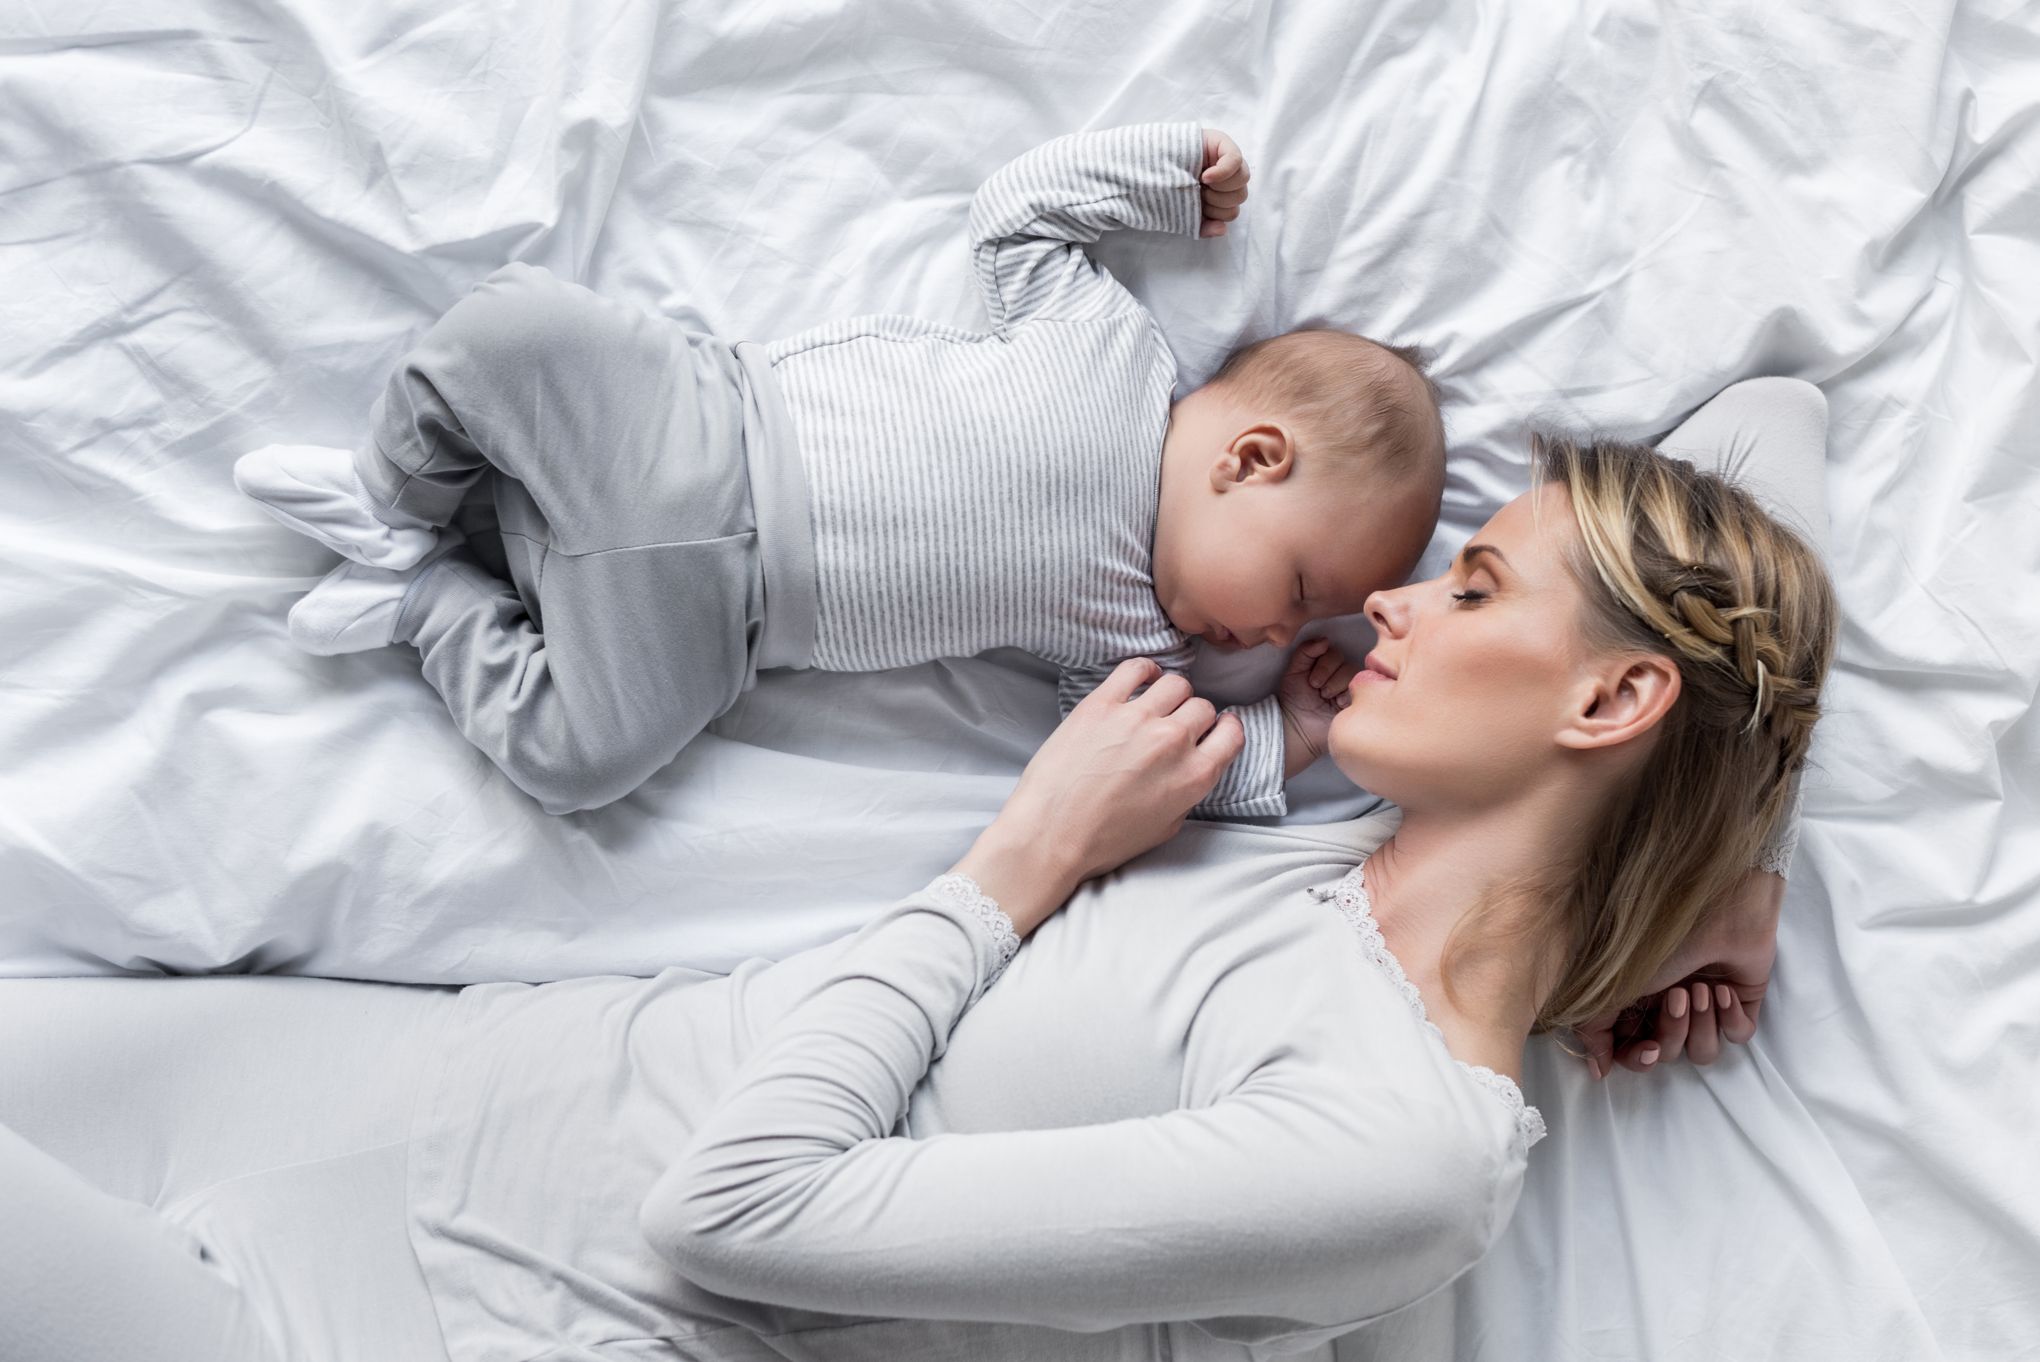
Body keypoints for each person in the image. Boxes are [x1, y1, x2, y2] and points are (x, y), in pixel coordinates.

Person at [0, 379, 1833, 1361]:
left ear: (1610, 694)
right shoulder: (1359, 835)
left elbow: (732, 1217)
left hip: (438, 1326)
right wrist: (1721, 871)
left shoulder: (1404, 1146)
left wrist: (1024, 855)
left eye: (1478, 586)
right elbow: (1773, 433)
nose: (1397, 600)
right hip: (433, 1080)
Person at [231, 123, 1445, 818]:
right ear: (1251, 458)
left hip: (713, 631)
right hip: (695, 427)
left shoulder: (1135, 642)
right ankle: (399, 498)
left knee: (580, 762)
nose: (1275, 629)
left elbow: (1175, 765)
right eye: (1294, 588)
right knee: (511, 330)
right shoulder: (1111, 347)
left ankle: (424, 599)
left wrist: (1285, 731)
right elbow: (1017, 212)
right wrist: (1169, 180)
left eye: (1296, 622)